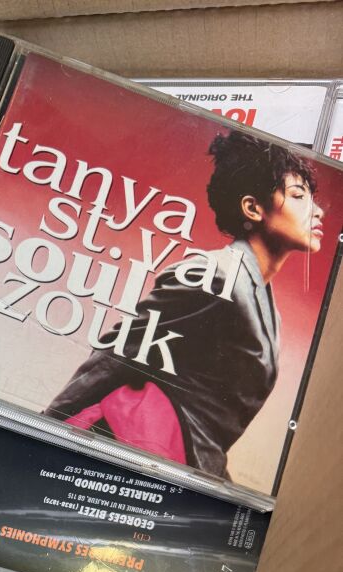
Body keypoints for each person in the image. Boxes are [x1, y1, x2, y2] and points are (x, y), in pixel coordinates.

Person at [44, 129, 325, 480]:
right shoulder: (214, 275)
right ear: (253, 208)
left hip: (193, 463)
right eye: (299, 196)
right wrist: (43, 430)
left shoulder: (265, 303)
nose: (318, 211)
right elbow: (117, 354)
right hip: (140, 447)